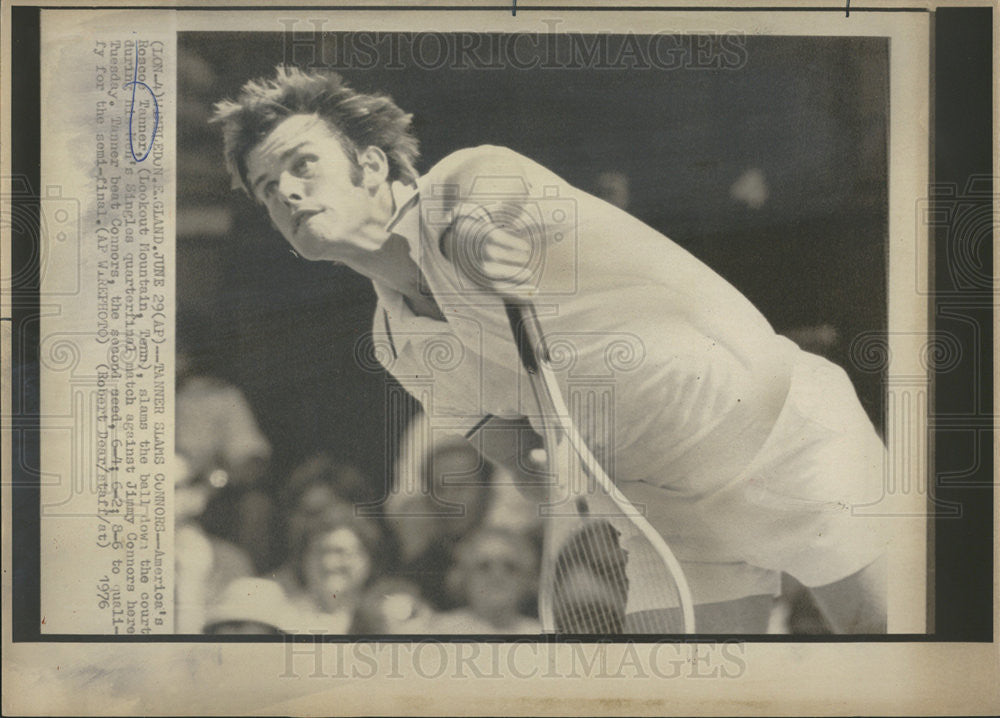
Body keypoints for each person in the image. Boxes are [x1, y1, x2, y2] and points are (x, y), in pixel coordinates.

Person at [211, 66, 893, 633]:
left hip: (782, 439)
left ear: (369, 164)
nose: (289, 193)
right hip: (663, 513)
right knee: (687, 701)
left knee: (904, 670)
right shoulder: (395, 344)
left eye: (302, 165)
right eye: (269, 190)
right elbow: (518, 456)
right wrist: (555, 480)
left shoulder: (469, 177)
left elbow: (477, 221)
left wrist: (475, 246)